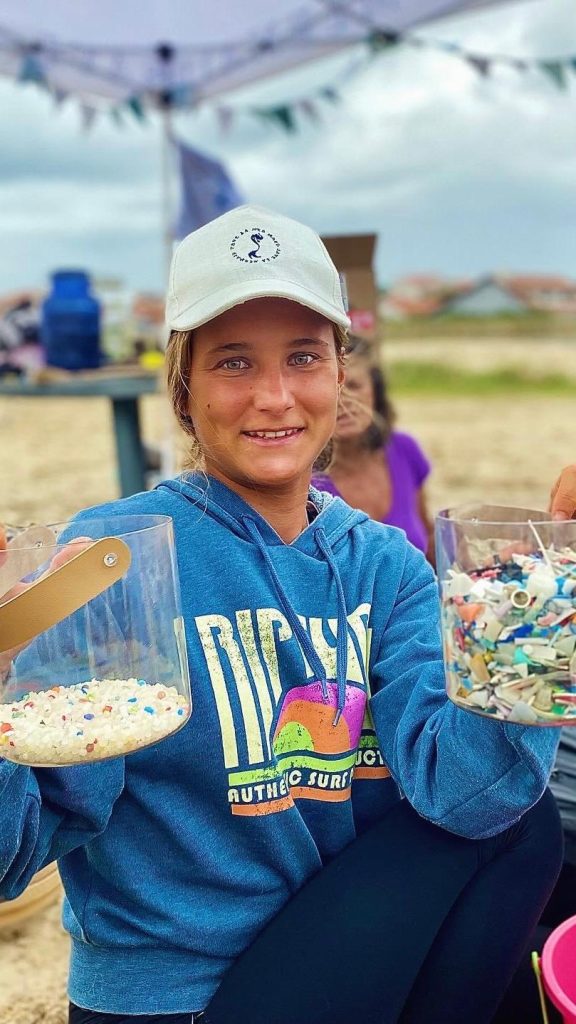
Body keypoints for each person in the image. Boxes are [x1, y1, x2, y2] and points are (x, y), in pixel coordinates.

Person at [0, 206, 564, 1024]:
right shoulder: (118, 560)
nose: (274, 396)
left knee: (525, 826)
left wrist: (541, 616)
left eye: (303, 357)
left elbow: (467, 798)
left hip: (340, 954)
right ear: (184, 388)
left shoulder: (385, 567)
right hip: (171, 998)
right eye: (234, 362)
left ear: (341, 376)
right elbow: (15, 852)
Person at [313, 336, 435, 562]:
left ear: (375, 392)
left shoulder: (404, 450)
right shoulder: (302, 480)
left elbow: (429, 543)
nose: (343, 400)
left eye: (354, 385)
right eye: (329, 387)